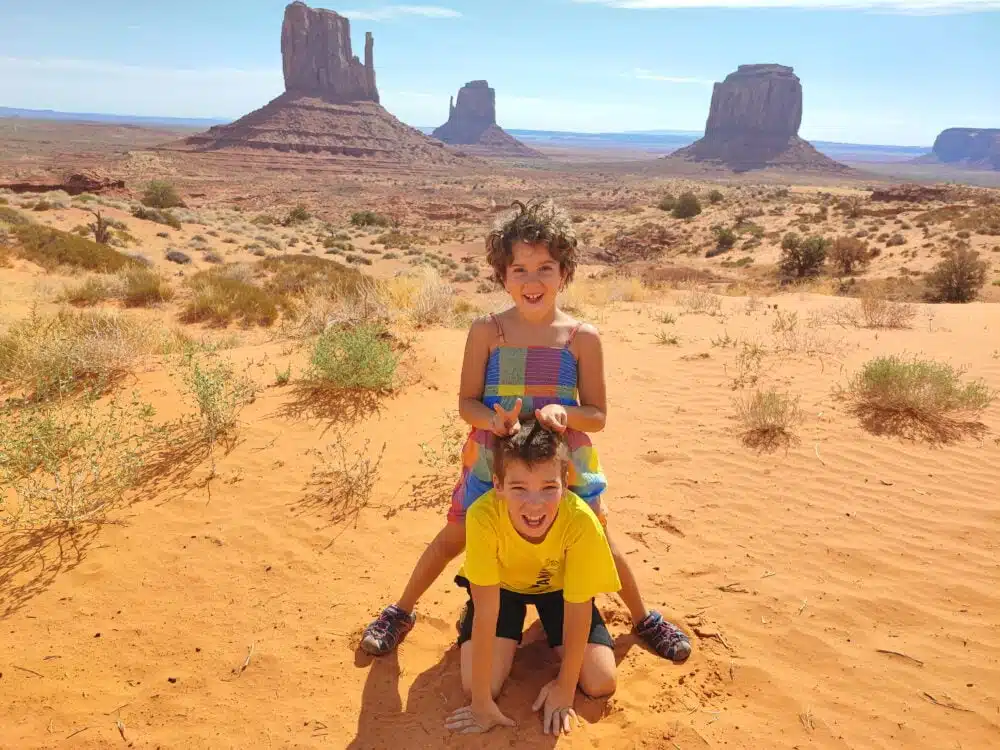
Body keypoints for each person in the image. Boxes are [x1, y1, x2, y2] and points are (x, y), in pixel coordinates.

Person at [360, 198, 690, 663]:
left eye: (545, 268)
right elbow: (466, 402)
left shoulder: (581, 338)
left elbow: (596, 415)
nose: (532, 282)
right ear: (502, 275)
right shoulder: (487, 330)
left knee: (596, 533)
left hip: (564, 459)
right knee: (457, 535)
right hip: (495, 454)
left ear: (565, 273)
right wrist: (492, 420)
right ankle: (401, 611)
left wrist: (563, 412)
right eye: (520, 269)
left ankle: (643, 618)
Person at [445, 421, 618, 736]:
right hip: (502, 590)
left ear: (565, 484)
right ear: (498, 485)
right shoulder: (482, 517)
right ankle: (478, 625)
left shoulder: (581, 521)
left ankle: (547, 629)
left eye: (548, 488)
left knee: (601, 680)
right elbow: (487, 611)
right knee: (475, 686)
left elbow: (579, 608)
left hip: (559, 590)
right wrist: (481, 703)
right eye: (519, 487)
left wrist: (565, 688)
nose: (535, 504)